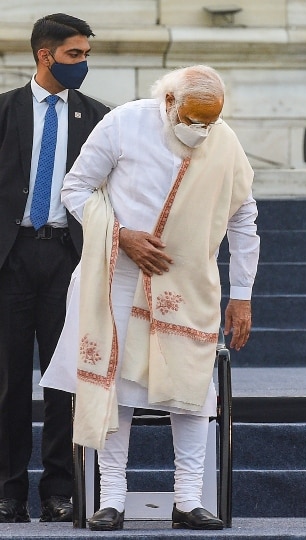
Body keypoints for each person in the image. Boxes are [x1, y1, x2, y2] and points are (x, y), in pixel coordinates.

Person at [40, 65, 259, 531]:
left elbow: (243, 217)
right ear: (169, 102)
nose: (200, 131)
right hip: (118, 276)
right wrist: (121, 236)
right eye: (193, 120)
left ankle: (188, 500)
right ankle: (113, 499)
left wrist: (242, 295)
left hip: (188, 283)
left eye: (210, 122)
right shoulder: (124, 123)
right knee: (114, 385)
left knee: (192, 390)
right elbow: (75, 189)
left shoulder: (224, 142)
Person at [0, 13, 110, 524]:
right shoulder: (4, 112)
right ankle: (8, 491)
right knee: (8, 380)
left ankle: (59, 491)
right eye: (74, 55)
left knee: (65, 379)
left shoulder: (99, 118)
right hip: (11, 259)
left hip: (69, 259)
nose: (83, 64)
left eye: (86, 55)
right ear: (45, 55)